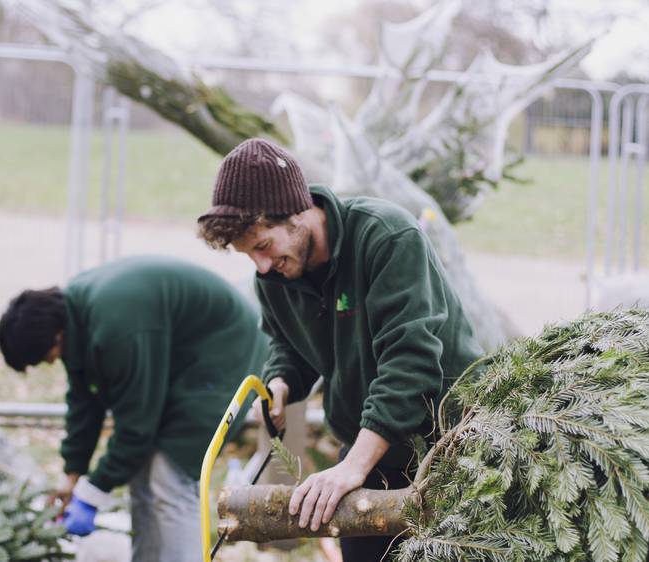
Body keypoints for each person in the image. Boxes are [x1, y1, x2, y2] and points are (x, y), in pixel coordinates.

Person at [197, 138, 483, 561]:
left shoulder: (385, 237)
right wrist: (281, 382)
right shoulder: (274, 277)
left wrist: (353, 467)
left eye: (262, 245)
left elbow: (410, 360)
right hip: (366, 446)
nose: (260, 266)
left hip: (446, 445)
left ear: (296, 211)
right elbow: (288, 343)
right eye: (248, 255)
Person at [0, 255, 267, 562]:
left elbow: (137, 427)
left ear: (56, 336)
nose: (50, 363)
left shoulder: (118, 326)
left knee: (170, 479)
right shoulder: (74, 315)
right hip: (179, 363)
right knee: (141, 474)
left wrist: (93, 493)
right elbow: (84, 403)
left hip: (224, 357)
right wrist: (73, 477)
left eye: (46, 357)